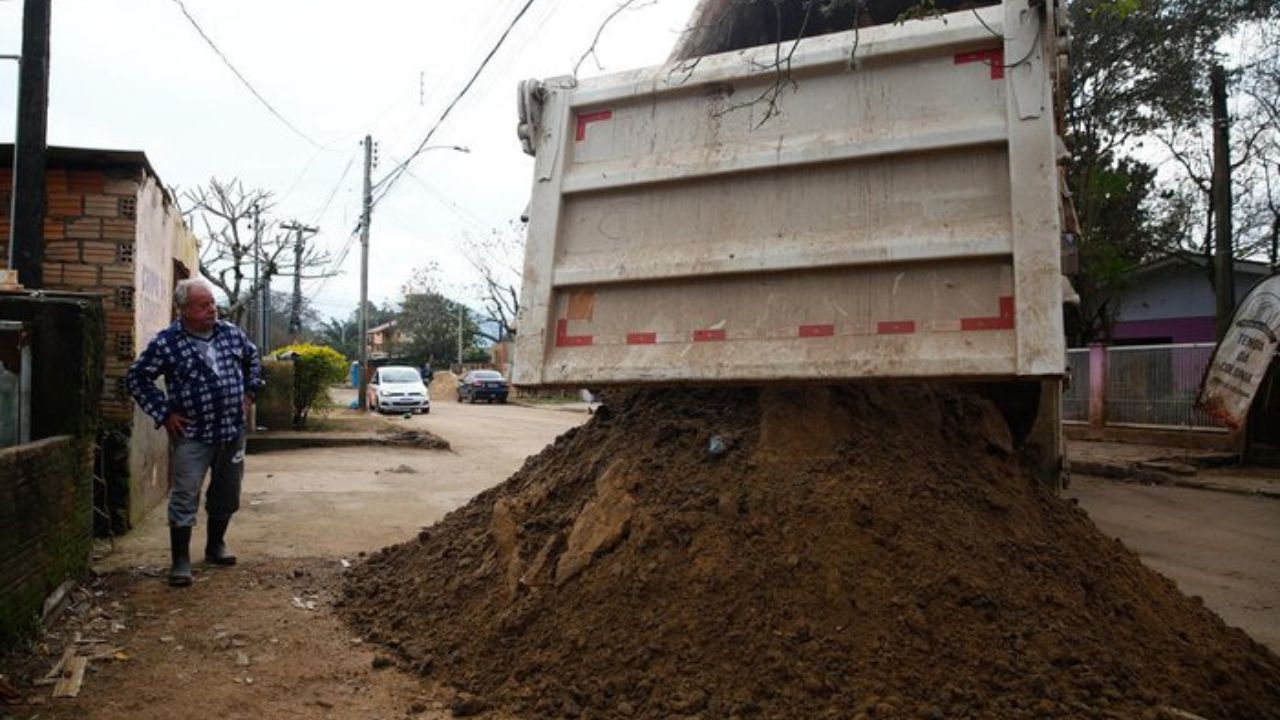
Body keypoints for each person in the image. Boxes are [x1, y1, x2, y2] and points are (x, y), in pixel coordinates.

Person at [126, 278, 264, 587]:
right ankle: (180, 560)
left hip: (231, 430)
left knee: (227, 492)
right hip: (193, 435)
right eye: (203, 305)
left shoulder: (231, 334)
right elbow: (137, 378)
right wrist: (164, 413)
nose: (212, 309)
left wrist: (250, 394)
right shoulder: (167, 343)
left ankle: (216, 545)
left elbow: (253, 360)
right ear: (183, 310)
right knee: (185, 493)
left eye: (213, 303)